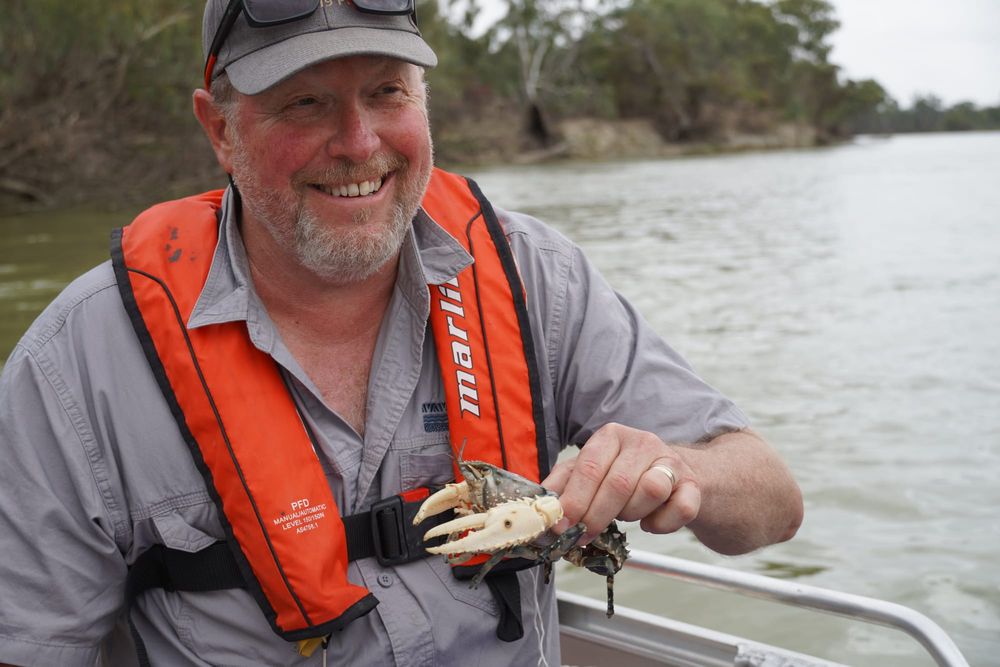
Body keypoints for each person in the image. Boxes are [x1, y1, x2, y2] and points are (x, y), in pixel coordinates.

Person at [0, 1, 803, 665]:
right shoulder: (79, 365)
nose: (359, 143)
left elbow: (771, 503)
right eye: (305, 102)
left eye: (387, 91)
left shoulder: (536, 276)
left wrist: (680, 469)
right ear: (220, 130)